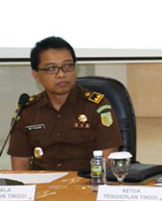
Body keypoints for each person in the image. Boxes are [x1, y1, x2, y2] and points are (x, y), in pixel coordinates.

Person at [8, 36, 122, 171]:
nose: (61, 74)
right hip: (42, 183)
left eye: (68, 66)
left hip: (86, 181)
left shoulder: (97, 106)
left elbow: (108, 162)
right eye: (51, 68)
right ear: (36, 75)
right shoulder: (27, 111)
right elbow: (20, 168)